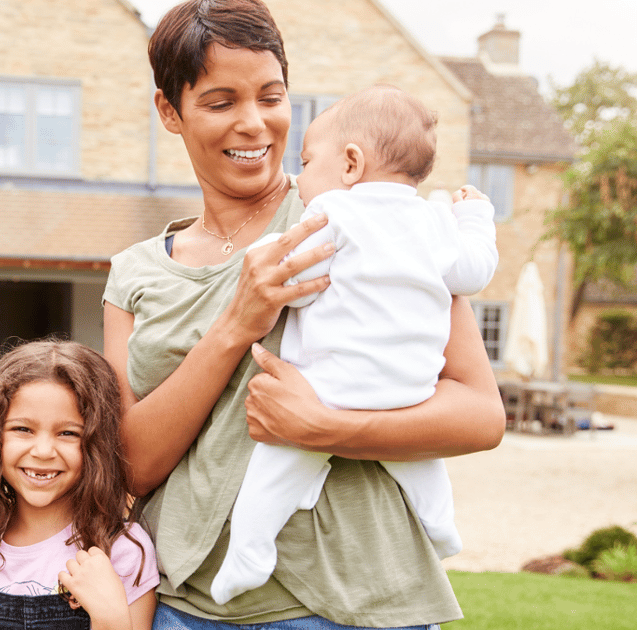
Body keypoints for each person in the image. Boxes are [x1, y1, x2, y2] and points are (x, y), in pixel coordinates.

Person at [101, 1, 506, 628]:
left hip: (355, 602)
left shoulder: (364, 211)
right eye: (219, 102)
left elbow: (479, 416)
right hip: (185, 606)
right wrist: (238, 322)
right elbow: (131, 464)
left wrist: (327, 428)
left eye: (271, 96)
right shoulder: (135, 272)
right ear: (169, 111)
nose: (254, 124)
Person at [211, 85, 500, 604]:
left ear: (350, 163)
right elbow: (473, 272)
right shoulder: (435, 221)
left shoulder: (333, 216)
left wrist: (255, 252)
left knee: (272, 470)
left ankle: (248, 555)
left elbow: (290, 274)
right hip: (412, 390)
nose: (299, 180)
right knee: (418, 461)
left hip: (332, 389)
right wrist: (476, 218)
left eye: (306, 162)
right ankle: (441, 527)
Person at [0, 340, 159, 630]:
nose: (42, 451)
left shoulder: (124, 551)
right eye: (22, 429)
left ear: (97, 444)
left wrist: (111, 619)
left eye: (67, 433)